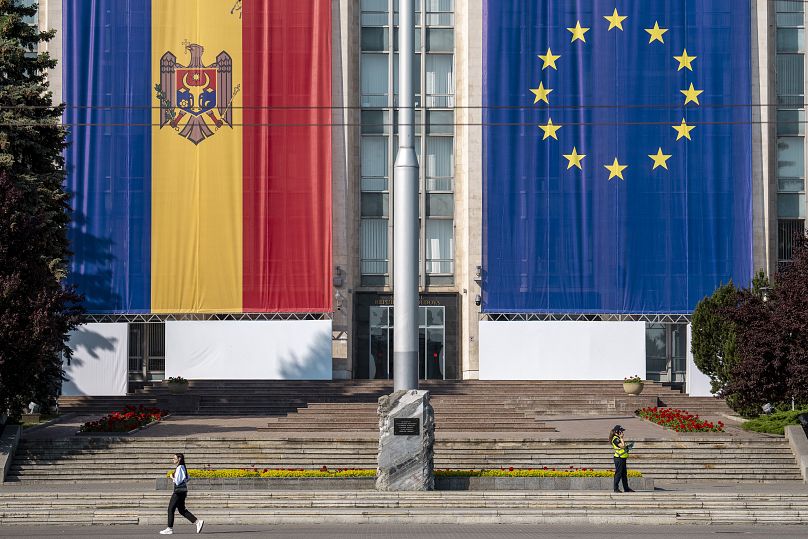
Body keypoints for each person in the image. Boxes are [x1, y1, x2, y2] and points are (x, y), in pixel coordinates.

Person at [160, 453, 204, 535]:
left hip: (178, 492)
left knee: (170, 509)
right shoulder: (183, 467)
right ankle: (197, 522)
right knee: (181, 510)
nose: (173, 459)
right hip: (183, 492)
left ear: (179, 459)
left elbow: (177, 481)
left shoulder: (180, 467)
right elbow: (188, 478)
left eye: (174, 458)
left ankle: (169, 528)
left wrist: (172, 477)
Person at [610, 425, 634, 493]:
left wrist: (628, 447)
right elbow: (622, 446)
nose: (622, 433)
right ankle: (616, 488)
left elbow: (624, 447)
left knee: (624, 474)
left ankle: (626, 488)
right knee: (618, 473)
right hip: (619, 458)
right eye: (621, 431)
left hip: (622, 458)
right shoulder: (616, 439)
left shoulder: (618, 438)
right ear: (617, 432)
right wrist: (621, 438)